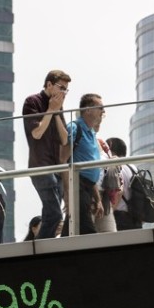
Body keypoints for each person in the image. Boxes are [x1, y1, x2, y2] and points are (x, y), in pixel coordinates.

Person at [23, 70, 71, 239]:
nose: (64, 93)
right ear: (49, 84)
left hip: (56, 169)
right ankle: (39, 248)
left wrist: (57, 113)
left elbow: (65, 139)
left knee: (50, 213)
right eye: (61, 88)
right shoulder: (32, 101)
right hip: (41, 167)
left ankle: (42, 247)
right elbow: (37, 133)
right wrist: (51, 109)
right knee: (56, 215)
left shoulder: (59, 107)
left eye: (66, 90)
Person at [60, 93, 108, 236]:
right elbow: (63, 160)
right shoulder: (75, 128)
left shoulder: (92, 133)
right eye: (100, 108)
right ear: (88, 110)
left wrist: (98, 199)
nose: (103, 112)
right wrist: (68, 193)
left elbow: (90, 171)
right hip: (77, 185)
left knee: (71, 227)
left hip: (87, 187)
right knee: (87, 227)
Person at [107, 137, 141, 230]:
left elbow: (118, 192)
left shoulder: (116, 166)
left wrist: (110, 212)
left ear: (110, 150)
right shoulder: (133, 168)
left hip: (120, 218)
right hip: (135, 217)